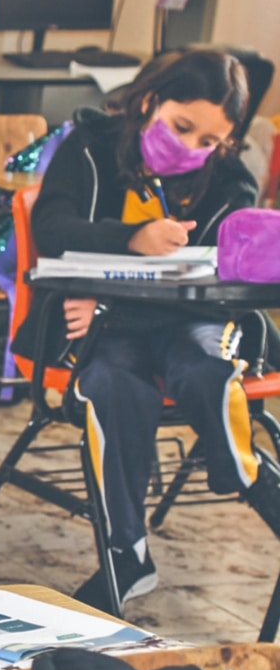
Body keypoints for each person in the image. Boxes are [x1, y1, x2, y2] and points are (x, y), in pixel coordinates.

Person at [15, 50, 280, 614]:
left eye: (209, 141)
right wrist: (131, 239)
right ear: (148, 100)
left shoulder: (230, 180)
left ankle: (247, 475)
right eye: (182, 127)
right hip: (102, 339)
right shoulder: (89, 148)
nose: (192, 148)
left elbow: (213, 291)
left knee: (203, 366)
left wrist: (108, 308)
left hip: (189, 326)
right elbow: (53, 231)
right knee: (112, 382)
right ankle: (126, 552)